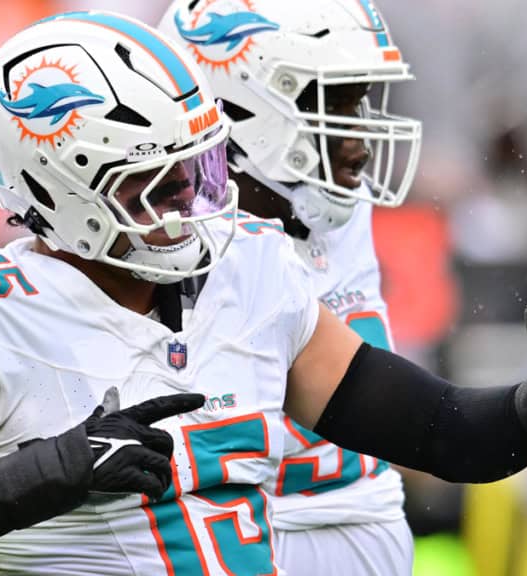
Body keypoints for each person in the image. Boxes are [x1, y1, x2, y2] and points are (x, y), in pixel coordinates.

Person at [0, 11, 527, 576]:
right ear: (59, 188)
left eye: (197, 171)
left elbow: (446, 435)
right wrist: (19, 485)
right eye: (154, 185)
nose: (192, 207)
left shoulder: (251, 275)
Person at [155, 0, 420, 573]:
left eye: (359, 103)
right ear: (238, 107)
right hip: (245, 544)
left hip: (367, 530)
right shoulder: (159, 249)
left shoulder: (342, 208)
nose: (360, 143)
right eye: (330, 104)